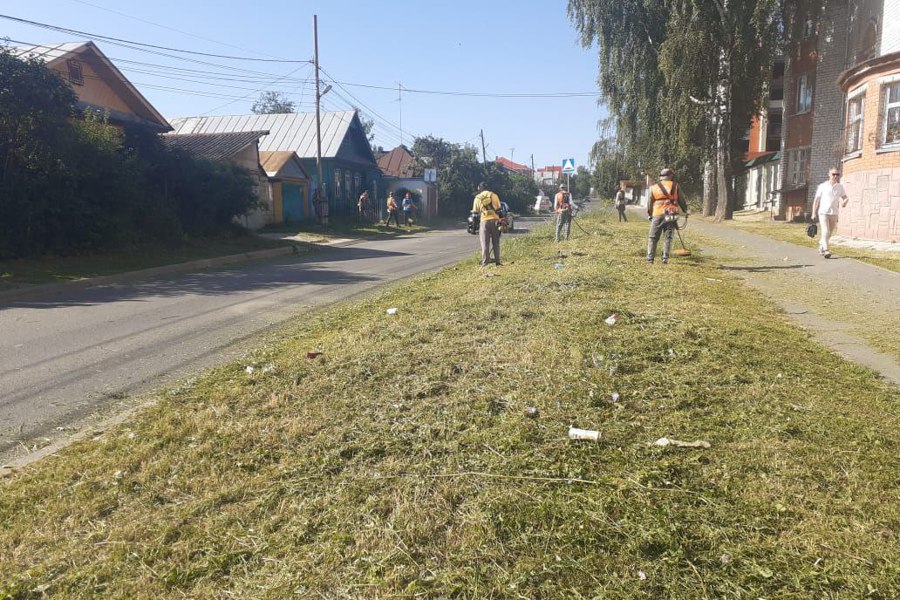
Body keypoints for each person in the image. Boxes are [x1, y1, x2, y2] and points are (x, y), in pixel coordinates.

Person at [646, 168, 688, 264]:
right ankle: (665, 258)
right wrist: (685, 210)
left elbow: (649, 202)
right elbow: (681, 200)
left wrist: (650, 214)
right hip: (671, 214)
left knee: (653, 237)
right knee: (668, 237)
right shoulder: (675, 186)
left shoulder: (654, 187)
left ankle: (650, 258)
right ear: (671, 176)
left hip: (657, 214)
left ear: (661, 177)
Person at [812, 168, 849, 259]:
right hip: (823, 212)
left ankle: (821, 246)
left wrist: (845, 201)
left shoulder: (839, 186)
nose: (835, 176)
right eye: (833, 174)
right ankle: (826, 250)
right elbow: (816, 200)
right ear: (829, 174)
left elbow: (845, 197)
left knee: (829, 233)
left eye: (837, 174)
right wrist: (813, 213)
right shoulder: (822, 186)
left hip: (834, 212)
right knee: (825, 231)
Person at [472, 182, 502, 266]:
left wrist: (474, 228)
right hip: (495, 221)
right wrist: (501, 221)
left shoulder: (477, 198)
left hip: (484, 222)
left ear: (480, 188)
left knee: (484, 243)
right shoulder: (494, 195)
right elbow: (499, 210)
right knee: (496, 242)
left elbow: (475, 214)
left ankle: (485, 262)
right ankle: (497, 261)